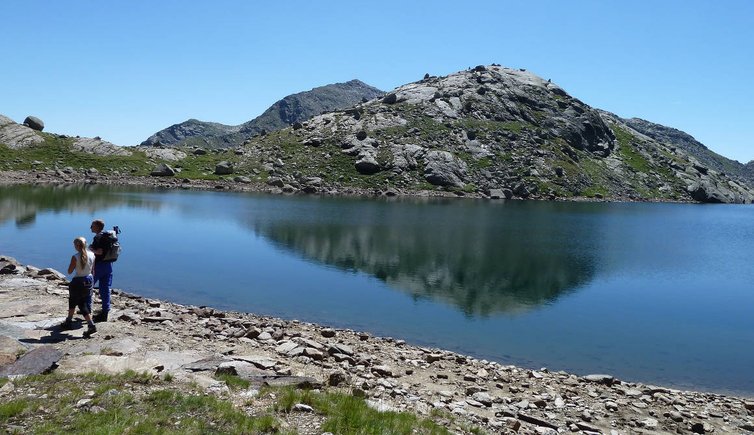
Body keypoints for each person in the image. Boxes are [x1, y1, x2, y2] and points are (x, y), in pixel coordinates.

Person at [61, 237, 97, 337]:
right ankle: (89, 325)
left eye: (74, 245)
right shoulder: (92, 254)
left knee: (73, 301)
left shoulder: (75, 257)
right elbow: (93, 270)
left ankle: (70, 322)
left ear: (77, 246)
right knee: (82, 303)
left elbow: (69, 271)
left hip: (78, 281)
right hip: (89, 280)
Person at [88, 219, 114, 322]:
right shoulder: (108, 237)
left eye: (92, 226)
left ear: (97, 227)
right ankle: (105, 312)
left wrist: (90, 249)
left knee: (88, 286)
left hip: (99, 265)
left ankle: (87, 309)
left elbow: (99, 252)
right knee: (105, 288)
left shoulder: (98, 237)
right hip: (108, 265)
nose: (90, 227)